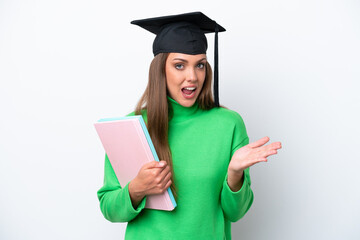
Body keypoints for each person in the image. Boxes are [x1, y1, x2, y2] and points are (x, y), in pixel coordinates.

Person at [97, 12, 282, 240]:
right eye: (179, 65)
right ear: (160, 70)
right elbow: (109, 208)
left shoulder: (228, 124)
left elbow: (236, 213)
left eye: (200, 65)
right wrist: (137, 188)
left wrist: (235, 174)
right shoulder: (132, 127)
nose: (192, 76)